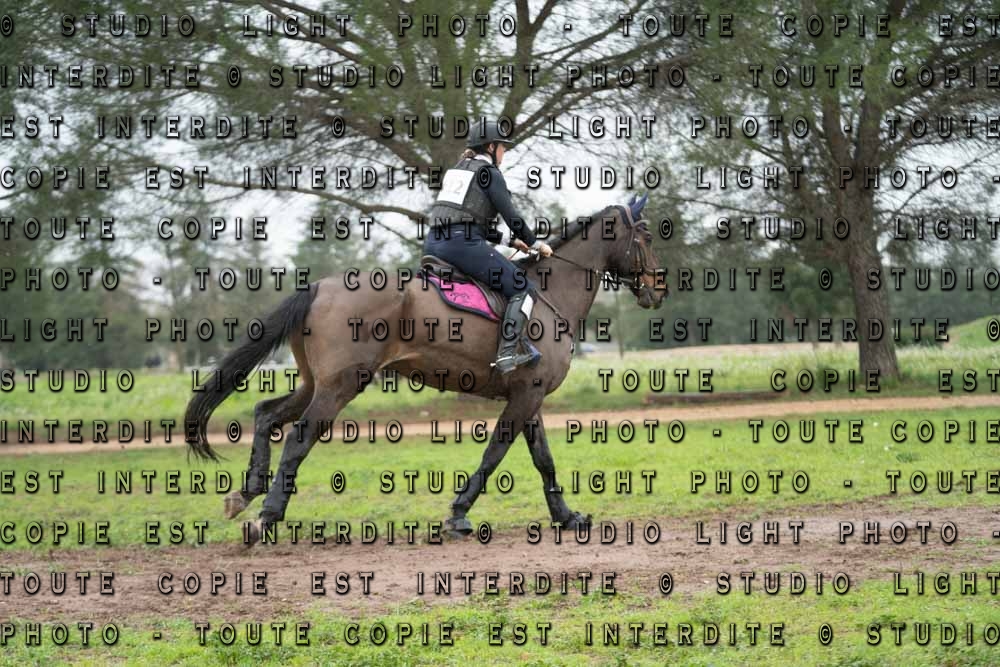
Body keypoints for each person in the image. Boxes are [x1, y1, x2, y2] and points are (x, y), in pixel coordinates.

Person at [424, 118, 554, 374]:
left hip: (432, 244)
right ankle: (507, 354)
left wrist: (509, 241)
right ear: (491, 147)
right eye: (503, 147)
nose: (504, 152)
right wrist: (535, 243)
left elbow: (466, 218)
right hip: (460, 245)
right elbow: (511, 216)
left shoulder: (458, 170)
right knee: (523, 288)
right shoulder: (490, 174)